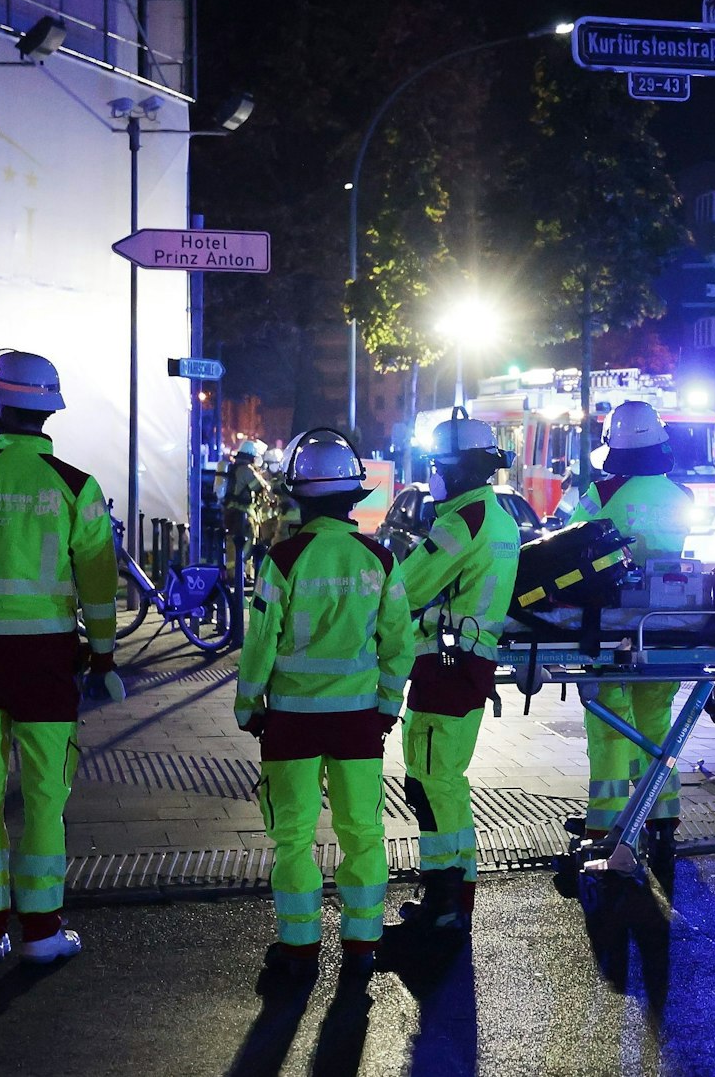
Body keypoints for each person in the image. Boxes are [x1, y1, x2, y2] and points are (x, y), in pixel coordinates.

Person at [0, 350, 121, 965]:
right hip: (48, 663)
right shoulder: (76, 487)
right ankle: (41, 933)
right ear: (48, 411)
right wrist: (104, 658)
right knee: (45, 799)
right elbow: (99, 584)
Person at [235, 429, 412, 995]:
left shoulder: (283, 559)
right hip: (358, 720)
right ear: (353, 495)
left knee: (292, 837)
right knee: (362, 832)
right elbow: (399, 644)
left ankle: (299, 949)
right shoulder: (379, 559)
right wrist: (387, 706)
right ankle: (361, 946)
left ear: (299, 496)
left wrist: (249, 704)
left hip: (291, 721)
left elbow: (260, 641)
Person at [394, 413, 520, 934]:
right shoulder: (499, 518)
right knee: (445, 783)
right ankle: (454, 896)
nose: (433, 475)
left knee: (431, 784)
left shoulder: (460, 522)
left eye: (439, 465)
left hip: (444, 667)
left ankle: (444, 903)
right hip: (468, 663)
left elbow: (404, 589)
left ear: (462, 470)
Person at [566, 401, 694, 857]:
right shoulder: (681, 496)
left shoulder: (600, 495)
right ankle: (661, 815)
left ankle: (606, 823)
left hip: (610, 624)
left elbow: (570, 544)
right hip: (664, 623)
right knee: (656, 720)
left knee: (609, 723)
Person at [222, 439, 269, 578]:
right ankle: (239, 574)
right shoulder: (246, 470)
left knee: (233, 542)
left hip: (230, 511)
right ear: (251, 456)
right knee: (248, 541)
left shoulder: (234, 468)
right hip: (242, 512)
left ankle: (238, 573)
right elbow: (260, 487)